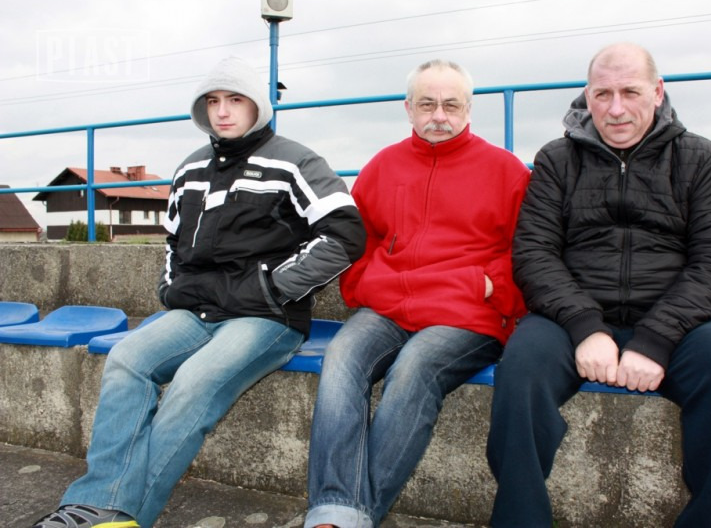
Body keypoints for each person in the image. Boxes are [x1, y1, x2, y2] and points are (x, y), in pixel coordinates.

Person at [33, 57, 365, 528]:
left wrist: (274, 288)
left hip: (265, 318)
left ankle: (124, 515)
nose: (222, 111)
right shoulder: (190, 168)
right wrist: (170, 288)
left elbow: (344, 235)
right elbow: (172, 241)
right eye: (213, 101)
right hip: (195, 311)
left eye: (235, 100)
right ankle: (96, 503)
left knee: (193, 382)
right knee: (127, 359)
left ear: (258, 106)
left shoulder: (296, 161)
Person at [486, 42, 711, 527]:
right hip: (570, 319)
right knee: (520, 370)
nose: (615, 109)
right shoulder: (556, 159)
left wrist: (656, 339)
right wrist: (584, 327)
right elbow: (533, 254)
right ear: (588, 96)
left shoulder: (700, 157)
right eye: (603, 94)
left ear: (657, 92)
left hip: (675, 322)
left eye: (630, 92)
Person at [304, 59, 530, 528]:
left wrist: (488, 285)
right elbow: (357, 239)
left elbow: (530, 251)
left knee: (414, 367)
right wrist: (362, 283)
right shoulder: (382, 166)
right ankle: (336, 511)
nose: (439, 116)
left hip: (466, 315)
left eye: (451, 105)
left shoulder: (506, 171)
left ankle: (346, 517)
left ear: (469, 109)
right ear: (408, 108)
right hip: (388, 307)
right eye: (427, 104)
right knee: (342, 356)